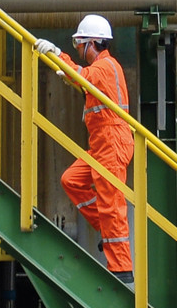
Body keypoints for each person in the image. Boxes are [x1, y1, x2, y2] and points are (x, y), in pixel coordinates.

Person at [42, 14, 136, 273]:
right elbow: (82, 78)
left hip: (112, 141)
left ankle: (121, 268)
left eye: (78, 44)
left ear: (91, 42)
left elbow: (81, 75)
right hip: (102, 144)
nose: (79, 50)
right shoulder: (102, 69)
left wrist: (57, 54)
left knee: (111, 204)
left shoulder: (105, 67)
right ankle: (106, 232)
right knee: (71, 180)